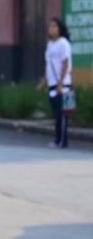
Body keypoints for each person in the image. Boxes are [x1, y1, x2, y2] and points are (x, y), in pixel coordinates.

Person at [40, 17, 73, 148]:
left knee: (62, 114)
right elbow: (48, 65)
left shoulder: (63, 43)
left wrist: (60, 82)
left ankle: (63, 141)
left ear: (60, 29)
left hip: (62, 84)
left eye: (54, 26)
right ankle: (57, 139)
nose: (51, 29)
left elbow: (65, 63)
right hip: (52, 83)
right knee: (56, 113)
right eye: (50, 26)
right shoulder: (50, 44)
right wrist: (43, 81)